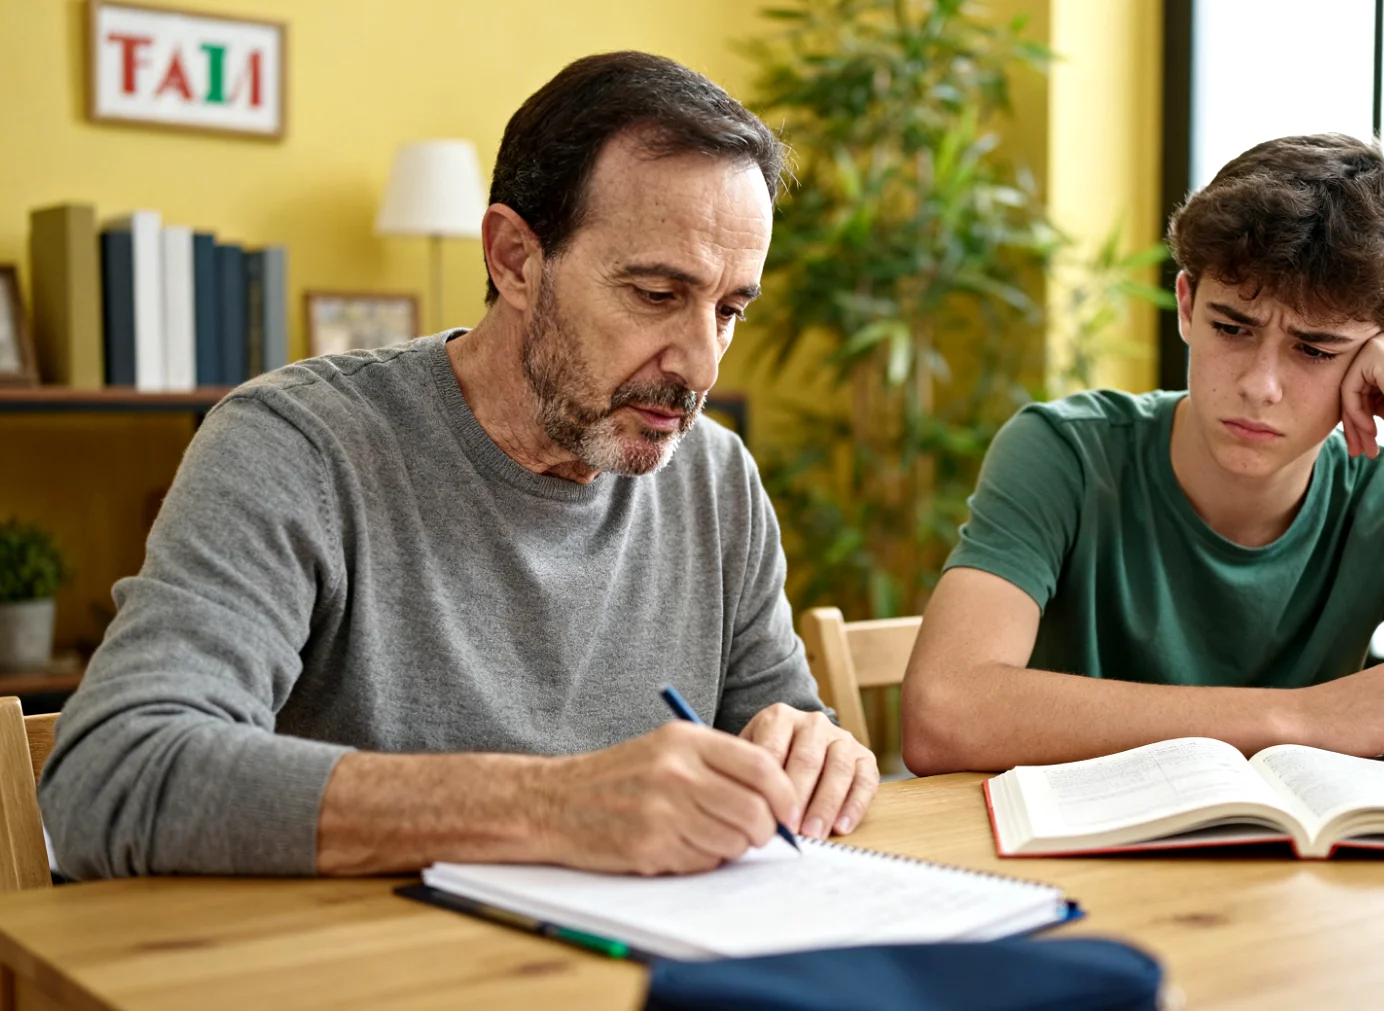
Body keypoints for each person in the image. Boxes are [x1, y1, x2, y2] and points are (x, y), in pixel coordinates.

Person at [40, 51, 877, 880]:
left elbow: (786, 726)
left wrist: (818, 754)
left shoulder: (715, 478)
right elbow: (112, 777)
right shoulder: (300, 445)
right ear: (513, 259)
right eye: (657, 295)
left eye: (730, 309)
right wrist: (550, 805)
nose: (701, 365)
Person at [901, 134, 1384, 774]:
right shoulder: (1065, 454)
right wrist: (1293, 717)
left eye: (1315, 349)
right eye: (1233, 327)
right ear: (1187, 304)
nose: (1261, 385)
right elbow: (943, 714)